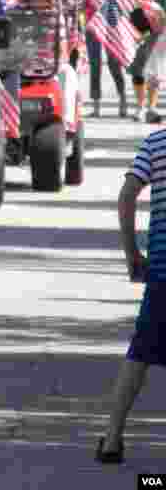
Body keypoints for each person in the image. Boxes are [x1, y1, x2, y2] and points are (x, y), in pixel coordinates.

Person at [96, 129, 166, 464]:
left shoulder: (156, 144)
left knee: (140, 354)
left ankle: (112, 439)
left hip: (164, 272)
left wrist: (132, 253)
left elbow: (127, 197)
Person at [126, 0, 166, 121]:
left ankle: (152, 107)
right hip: (138, 29)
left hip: (158, 30)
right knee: (138, 69)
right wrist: (141, 3)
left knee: (155, 70)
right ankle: (140, 107)